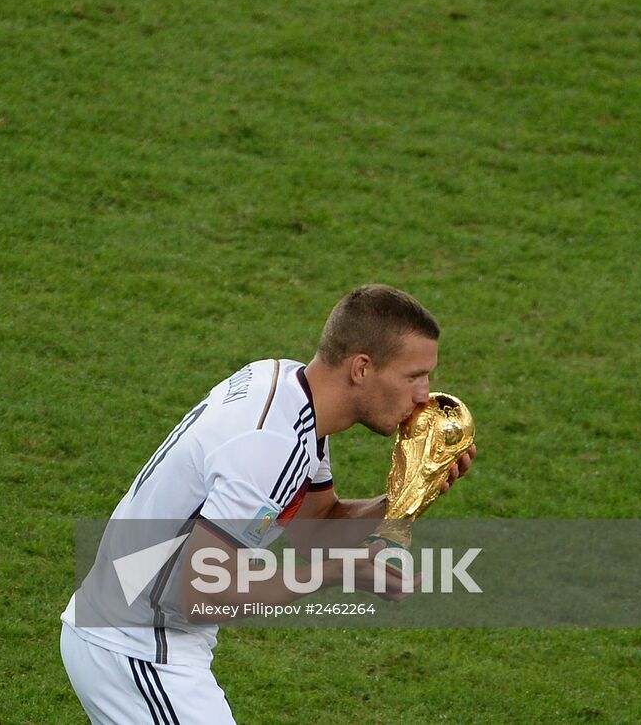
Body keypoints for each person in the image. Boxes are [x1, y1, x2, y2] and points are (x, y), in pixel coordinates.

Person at [60, 284, 477, 724]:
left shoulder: (290, 394)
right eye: (413, 376)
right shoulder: (271, 446)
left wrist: (407, 493)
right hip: (136, 647)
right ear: (361, 368)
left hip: (136, 631)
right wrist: (337, 572)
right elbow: (202, 592)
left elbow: (316, 529)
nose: (423, 396)